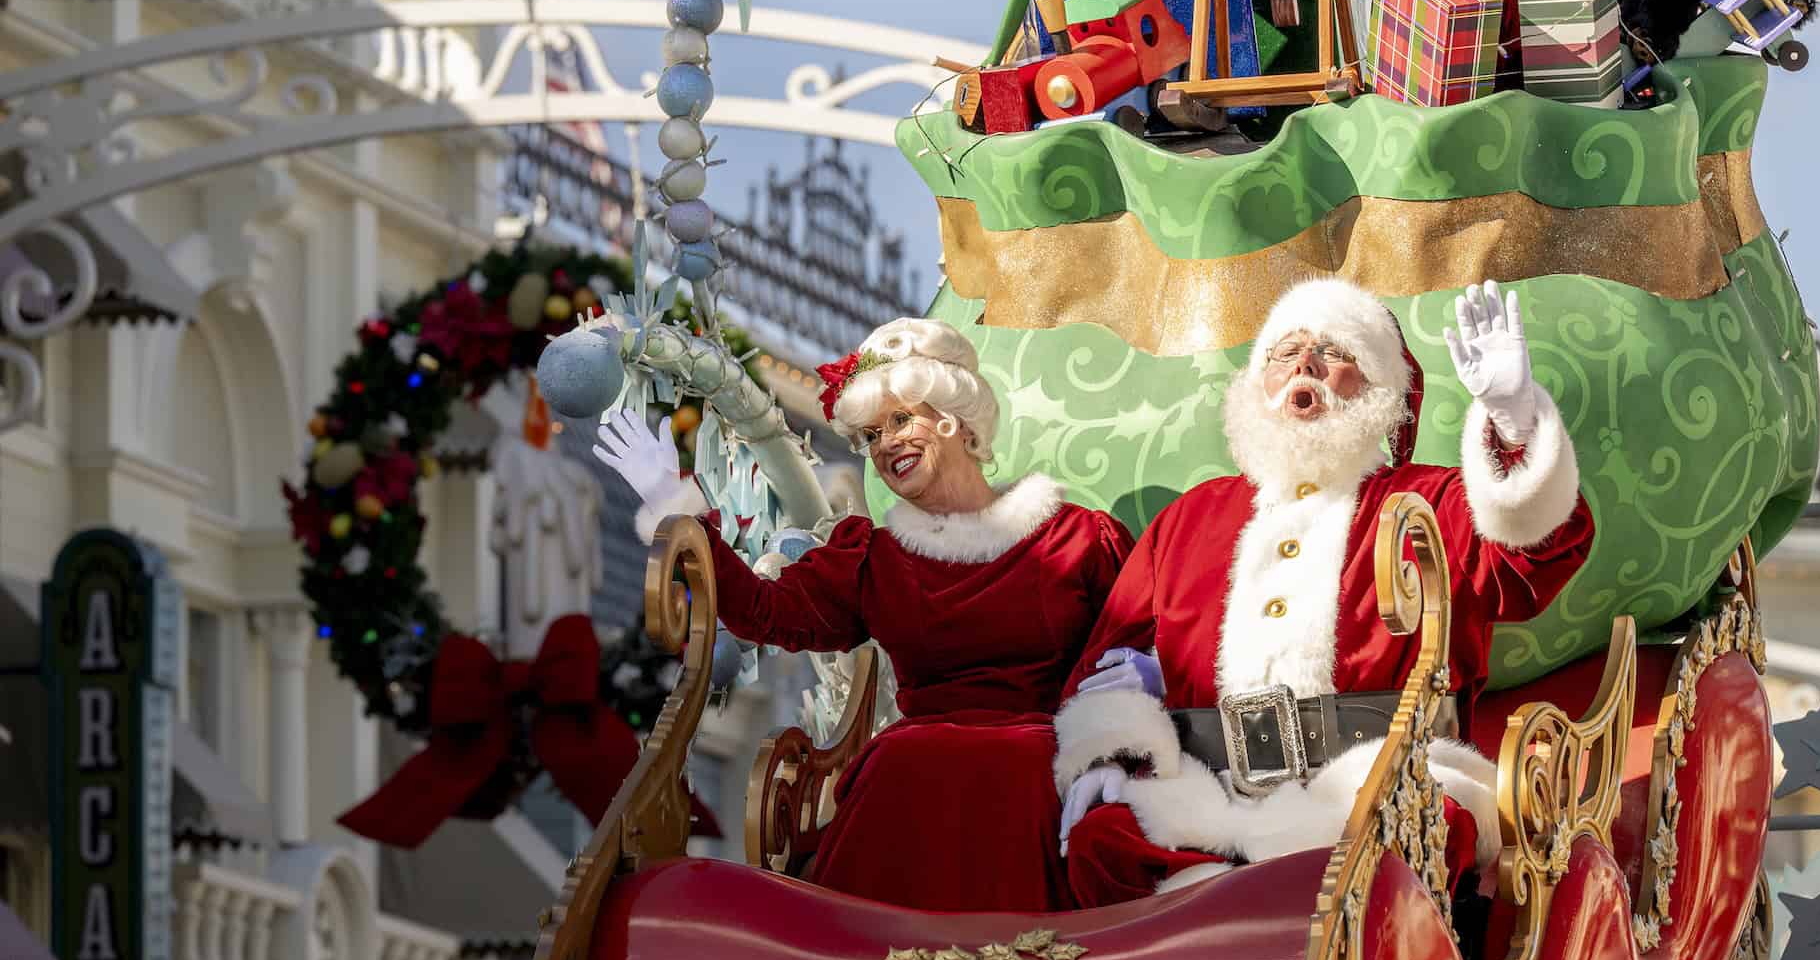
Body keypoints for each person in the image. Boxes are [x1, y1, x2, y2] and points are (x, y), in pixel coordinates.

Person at [1052, 277, 1593, 904]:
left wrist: (1514, 418)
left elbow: (1534, 555)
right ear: (1259, 386)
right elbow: (1115, 666)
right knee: (1108, 842)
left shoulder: (1426, 502)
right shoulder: (1192, 518)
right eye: (1285, 352)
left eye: (1335, 353)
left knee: (1409, 838)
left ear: (1379, 392)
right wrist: (1107, 757)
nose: (1305, 363)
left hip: (1384, 786)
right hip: (1208, 794)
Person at [595, 317, 1132, 912]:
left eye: (901, 421)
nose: (886, 446)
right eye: (872, 436)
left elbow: (1130, 659)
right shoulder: (873, 558)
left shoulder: (1079, 540)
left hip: (1046, 766)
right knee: (902, 761)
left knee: (1013, 766)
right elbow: (763, 610)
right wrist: (675, 501)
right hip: (910, 775)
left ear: (952, 418)